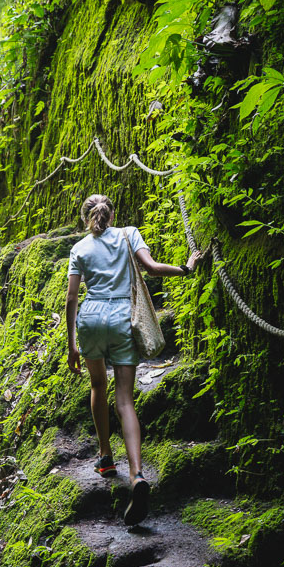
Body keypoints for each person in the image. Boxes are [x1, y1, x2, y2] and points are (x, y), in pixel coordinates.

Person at [65, 194, 203, 526]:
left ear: (86, 218)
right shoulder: (129, 233)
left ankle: (106, 457)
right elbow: (153, 269)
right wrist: (187, 267)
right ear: (112, 215)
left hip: (92, 318)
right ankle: (137, 474)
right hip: (123, 318)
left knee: (98, 385)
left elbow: (71, 297)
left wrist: (72, 345)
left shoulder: (79, 248)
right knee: (125, 400)